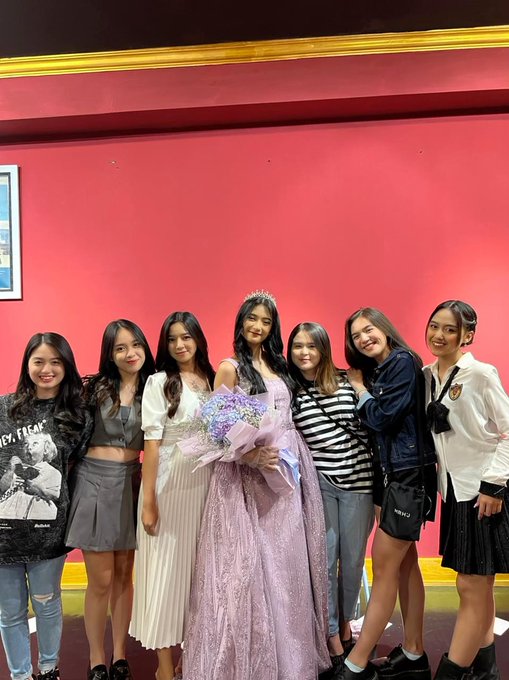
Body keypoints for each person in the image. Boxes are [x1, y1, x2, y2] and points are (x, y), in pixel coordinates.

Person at [183, 291, 330, 680]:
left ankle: (292, 659)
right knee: (253, 566)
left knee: (287, 563)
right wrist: (249, 456)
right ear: (241, 321)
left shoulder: (280, 365)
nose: (258, 326)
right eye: (252, 318)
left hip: (287, 469)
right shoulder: (230, 367)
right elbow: (213, 429)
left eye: (266, 321)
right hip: (248, 478)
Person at [338, 308, 437, 680]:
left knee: (383, 568)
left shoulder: (401, 362)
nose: (364, 338)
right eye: (356, 336)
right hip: (396, 476)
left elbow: (381, 418)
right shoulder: (383, 369)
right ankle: (414, 653)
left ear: (383, 327)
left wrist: (360, 389)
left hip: (409, 475)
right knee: (406, 564)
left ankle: (356, 662)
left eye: (368, 329)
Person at [424, 300, 509, 680]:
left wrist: (493, 485)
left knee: (470, 583)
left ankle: (452, 671)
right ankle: (486, 666)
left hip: (483, 493)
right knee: (477, 584)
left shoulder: (481, 374)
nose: (439, 335)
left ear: (467, 335)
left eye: (450, 329)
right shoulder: (428, 376)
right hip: (454, 491)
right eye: (435, 326)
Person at [65, 320, 155, 680]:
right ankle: (96, 658)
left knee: (123, 576)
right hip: (94, 483)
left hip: (132, 483)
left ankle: (120, 655)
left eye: (135, 345)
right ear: (110, 354)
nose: (130, 353)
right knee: (100, 580)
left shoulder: (156, 388)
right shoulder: (94, 389)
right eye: (120, 348)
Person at [0, 332, 92, 680]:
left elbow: (77, 471)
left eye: (55, 362)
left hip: (49, 533)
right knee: (9, 612)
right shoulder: (3, 408)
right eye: (38, 361)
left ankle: (49, 669)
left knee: (47, 603)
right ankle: (20, 675)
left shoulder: (77, 416)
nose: (46, 369)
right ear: (27, 365)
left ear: (66, 366)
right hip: (4, 535)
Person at [129, 311, 215, 680]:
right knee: (164, 576)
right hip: (168, 484)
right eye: (172, 339)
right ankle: (164, 668)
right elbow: (151, 444)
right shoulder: (159, 381)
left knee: (198, 578)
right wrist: (149, 501)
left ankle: (189, 660)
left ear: (198, 339)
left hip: (206, 484)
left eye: (186, 337)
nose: (180, 345)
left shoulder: (212, 379)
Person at [287, 322, 374, 676]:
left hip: (359, 484)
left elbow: (370, 427)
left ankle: (347, 621)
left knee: (352, 562)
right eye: (298, 346)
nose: (304, 352)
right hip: (319, 485)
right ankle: (332, 634)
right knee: (324, 561)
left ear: (324, 349)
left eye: (312, 345)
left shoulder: (347, 381)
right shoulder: (291, 391)